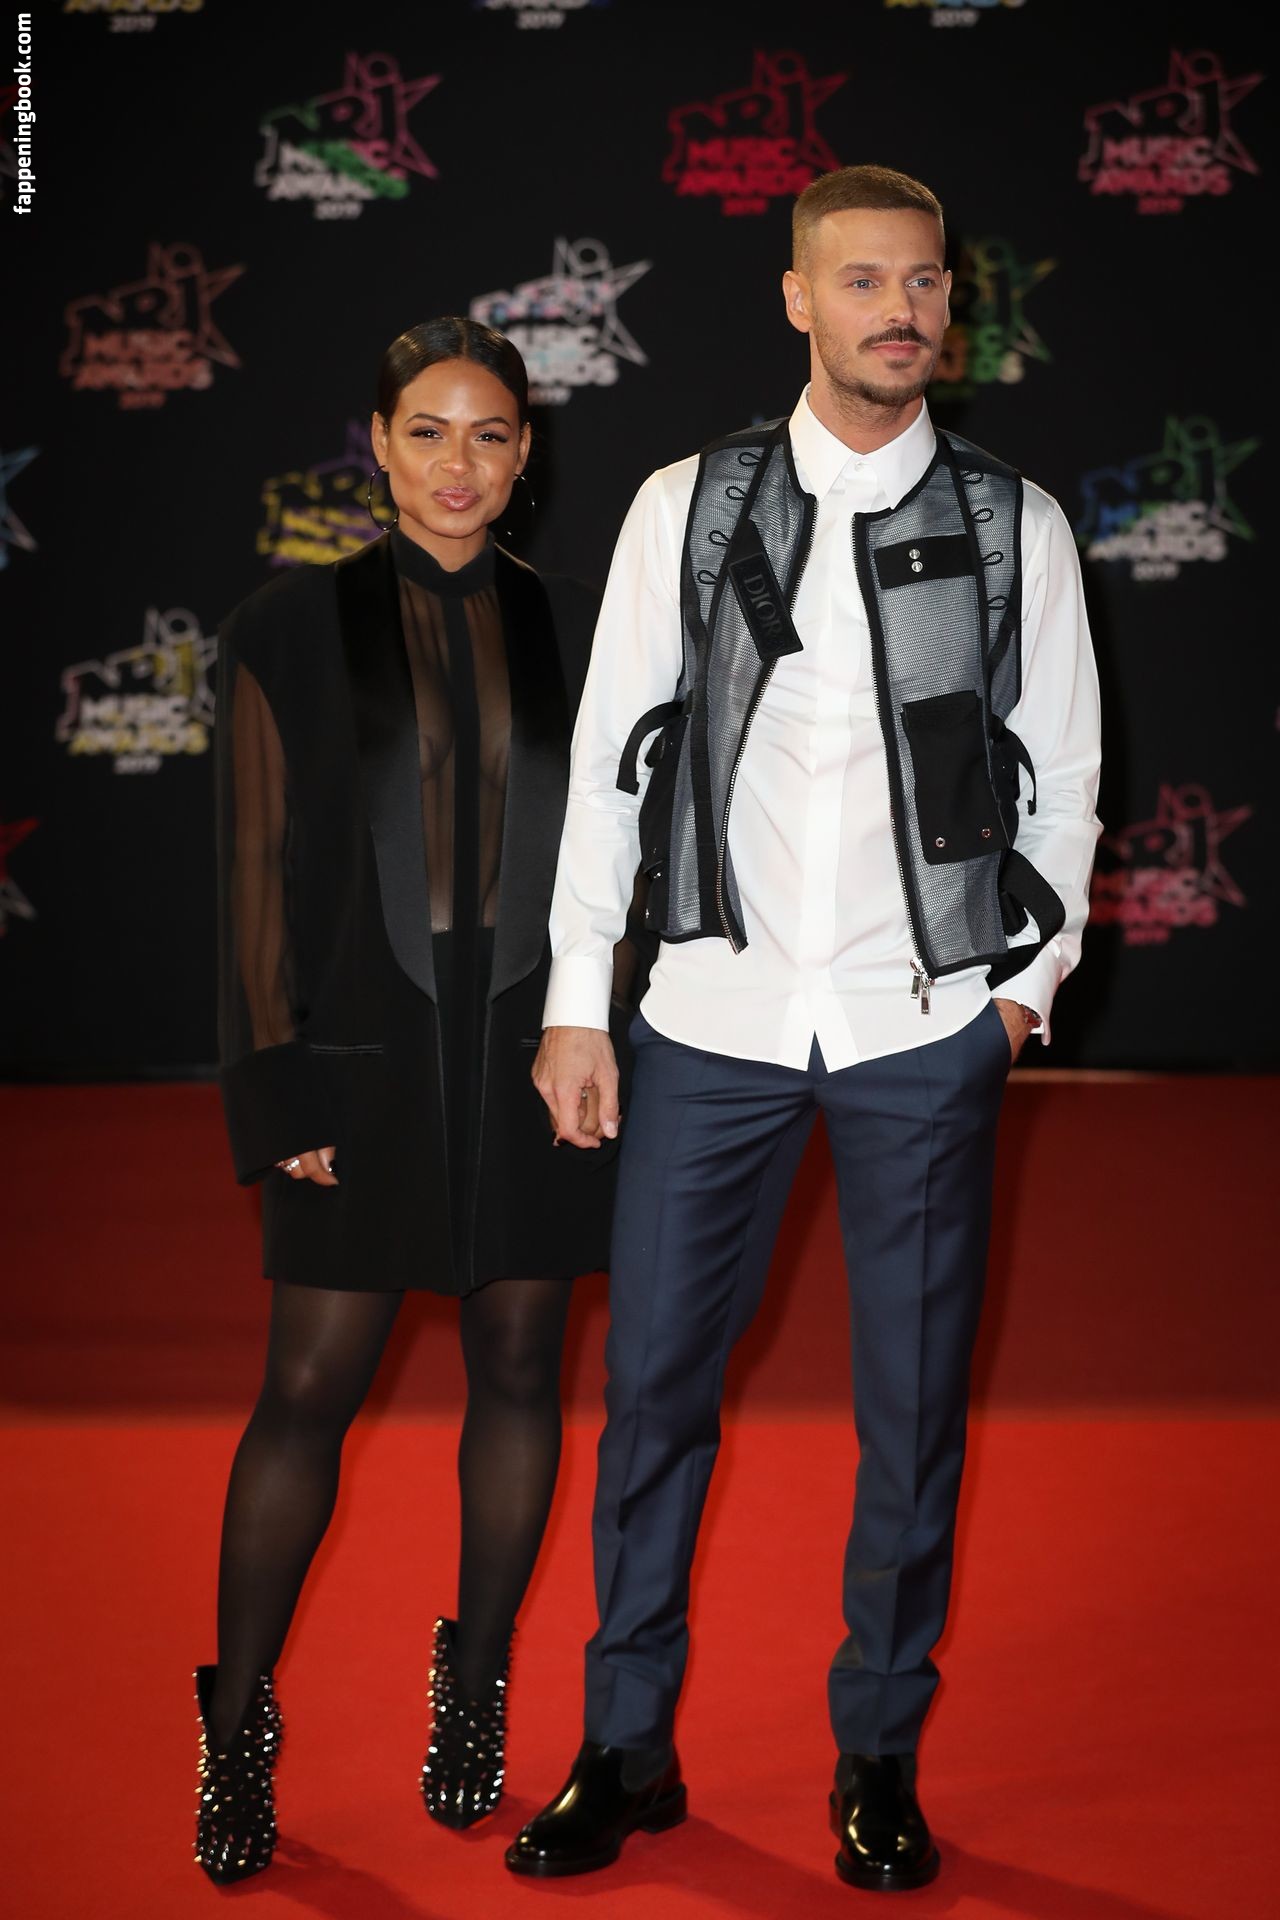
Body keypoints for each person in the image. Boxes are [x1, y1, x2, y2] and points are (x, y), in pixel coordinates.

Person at [508, 166, 1102, 1890]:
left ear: (948, 305)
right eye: (861, 281)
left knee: (912, 1418)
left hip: (925, 1031)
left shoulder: (1014, 524)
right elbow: (608, 772)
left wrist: (1018, 998)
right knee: (653, 1399)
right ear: (797, 300)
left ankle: (879, 1752)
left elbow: (1066, 776)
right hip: (711, 1021)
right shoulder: (690, 506)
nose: (898, 310)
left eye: (922, 282)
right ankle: (626, 1747)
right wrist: (579, 1002)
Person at [196, 317, 643, 1884]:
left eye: (493, 435)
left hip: (533, 1056)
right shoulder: (284, 625)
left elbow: (615, 860)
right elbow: (253, 873)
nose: (462, 464)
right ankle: (235, 1727)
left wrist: (598, 1036)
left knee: (521, 1372)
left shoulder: (576, 625)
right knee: (306, 1393)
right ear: (379, 443)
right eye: (432, 432)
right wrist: (281, 1085)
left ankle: (476, 1690)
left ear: (526, 456)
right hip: (361, 1063)